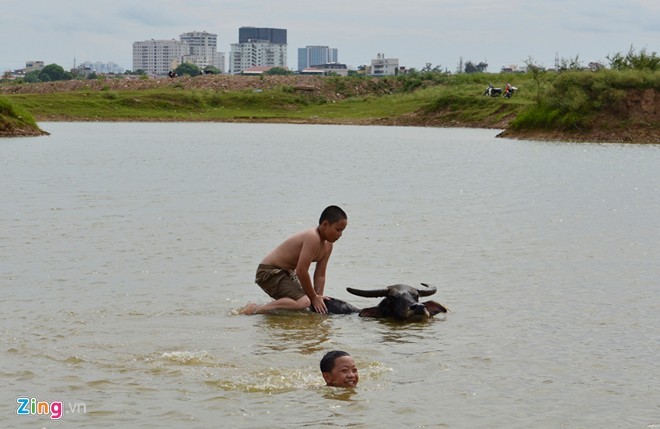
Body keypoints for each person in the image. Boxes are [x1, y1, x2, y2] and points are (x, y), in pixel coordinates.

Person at [240, 205, 348, 315]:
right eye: (338, 230)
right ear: (325, 224)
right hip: (269, 272)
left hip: (287, 273)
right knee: (304, 302)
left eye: (342, 231)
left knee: (308, 302)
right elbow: (301, 271)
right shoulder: (313, 237)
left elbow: (320, 274)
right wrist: (313, 297)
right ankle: (255, 309)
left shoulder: (328, 245)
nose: (340, 234)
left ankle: (277, 308)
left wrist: (318, 297)